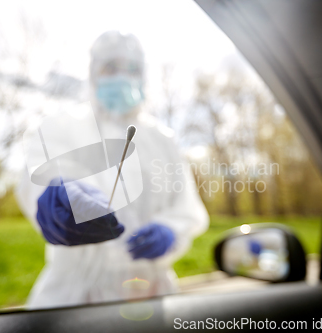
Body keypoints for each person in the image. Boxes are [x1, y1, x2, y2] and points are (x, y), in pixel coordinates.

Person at [16, 30, 209, 309]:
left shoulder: (162, 139)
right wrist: (56, 191)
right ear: (94, 74)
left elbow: (186, 206)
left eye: (132, 68)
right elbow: (38, 176)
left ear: (143, 75)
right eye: (111, 67)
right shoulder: (62, 125)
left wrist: (170, 231)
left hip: (153, 291)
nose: (122, 75)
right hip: (74, 297)